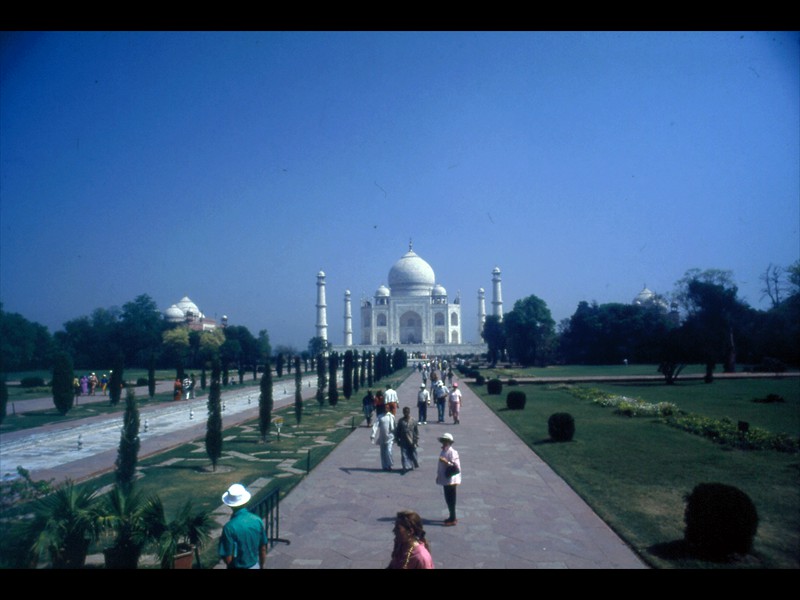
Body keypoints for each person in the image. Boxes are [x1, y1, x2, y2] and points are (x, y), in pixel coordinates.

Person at [218, 483, 268, 569]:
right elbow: (262, 548)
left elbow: (228, 557)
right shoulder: (257, 520)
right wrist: (262, 565)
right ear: (245, 501)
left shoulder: (229, 528)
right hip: (254, 566)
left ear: (230, 504)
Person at [436, 433, 461, 526]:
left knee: (451, 499)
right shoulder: (444, 451)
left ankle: (453, 518)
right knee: (447, 498)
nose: (444, 442)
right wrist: (439, 475)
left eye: (446, 441)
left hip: (451, 480)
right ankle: (451, 516)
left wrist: (446, 461)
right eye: (443, 441)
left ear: (449, 442)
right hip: (445, 478)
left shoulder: (452, 452)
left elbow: (456, 466)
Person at [394, 406, 420, 472]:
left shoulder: (413, 420)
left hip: (411, 440)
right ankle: (405, 466)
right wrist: (397, 439)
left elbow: (416, 431)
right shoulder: (401, 421)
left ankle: (412, 465)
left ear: (409, 412)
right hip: (403, 440)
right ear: (403, 413)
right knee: (404, 454)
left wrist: (416, 440)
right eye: (405, 412)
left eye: (407, 412)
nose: (406, 413)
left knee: (412, 454)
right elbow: (398, 431)